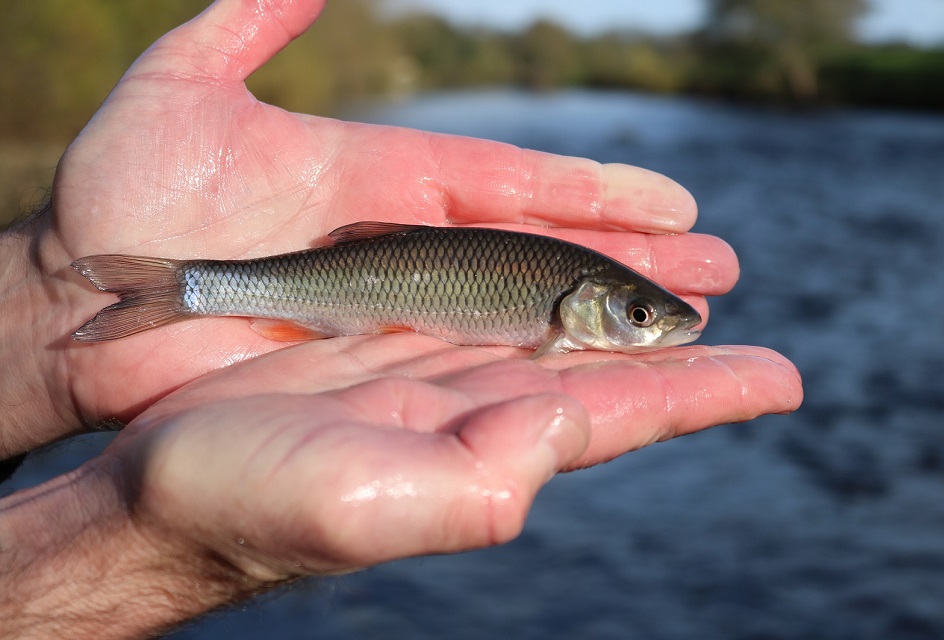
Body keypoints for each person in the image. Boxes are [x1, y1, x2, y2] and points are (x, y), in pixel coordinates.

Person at [0, 0, 802, 637]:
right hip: (278, 285)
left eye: (640, 317)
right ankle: (168, 291)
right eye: (636, 314)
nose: (650, 324)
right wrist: (41, 290)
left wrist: (35, 303)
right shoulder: (554, 306)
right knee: (192, 284)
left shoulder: (556, 293)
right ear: (583, 307)